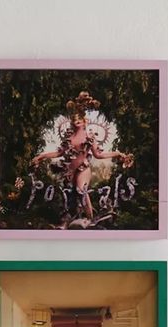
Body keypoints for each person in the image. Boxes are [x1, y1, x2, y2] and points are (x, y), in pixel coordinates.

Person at [30, 91, 134, 226]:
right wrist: (42, 156)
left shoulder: (89, 137)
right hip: (70, 171)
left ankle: (91, 220)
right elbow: (59, 153)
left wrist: (117, 154)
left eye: (79, 119)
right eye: (74, 119)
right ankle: (74, 220)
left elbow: (98, 155)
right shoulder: (69, 136)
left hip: (83, 169)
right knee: (72, 196)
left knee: (81, 190)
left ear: (85, 121)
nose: (76, 121)